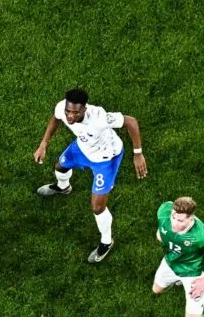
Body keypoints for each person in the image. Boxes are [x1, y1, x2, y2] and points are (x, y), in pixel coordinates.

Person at [33, 88, 147, 263]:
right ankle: (63, 188)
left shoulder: (99, 117)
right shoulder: (62, 108)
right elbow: (56, 119)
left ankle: (106, 242)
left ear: (84, 109)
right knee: (59, 167)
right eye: (68, 111)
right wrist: (44, 144)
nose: (70, 116)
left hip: (106, 159)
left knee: (97, 207)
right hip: (82, 148)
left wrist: (137, 153)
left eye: (75, 113)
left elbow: (130, 121)